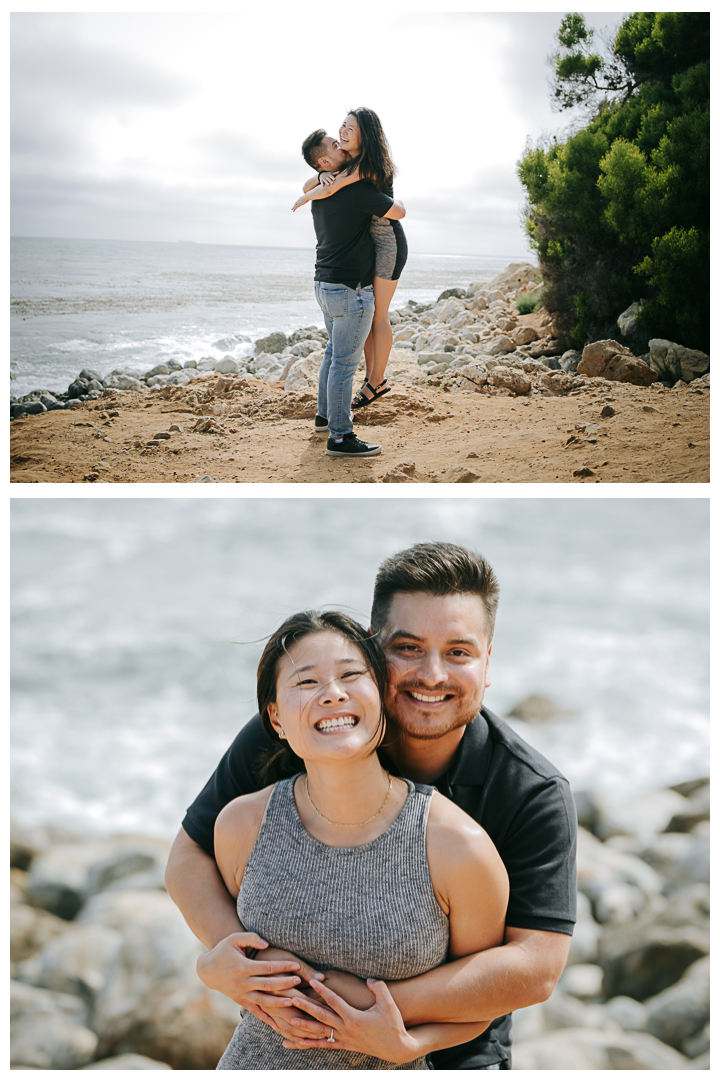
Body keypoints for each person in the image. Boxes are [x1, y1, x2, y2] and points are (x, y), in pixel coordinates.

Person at [165, 542, 578, 1069]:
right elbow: (189, 855)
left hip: (453, 1050)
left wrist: (351, 1005)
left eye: (458, 652)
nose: (432, 674)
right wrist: (233, 960)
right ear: (373, 651)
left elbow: (535, 967)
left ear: (487, 663)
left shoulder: (529, 791)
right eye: (407, 647)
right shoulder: (304, 732)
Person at [212, 609, 509, 1068]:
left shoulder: (456, 845)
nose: (333, 695)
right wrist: (209, 965)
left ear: (381, 696)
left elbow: (482, 1001)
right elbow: (234, 950)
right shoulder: (242, 825)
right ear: (275, 717)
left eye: (351, 675)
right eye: (306, 682)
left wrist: (413, 1045)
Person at [292, 127, 405, 459]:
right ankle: (340, 437)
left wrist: (317, 183)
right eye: (333, 144)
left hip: (323, 284)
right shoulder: (353, 191)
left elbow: (310, 185)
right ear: (325, 160)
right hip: (350, 290)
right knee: (343, 363)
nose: (340, 143)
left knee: (332, 354)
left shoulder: (322, 191)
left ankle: (324, 417)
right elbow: (397, 212)